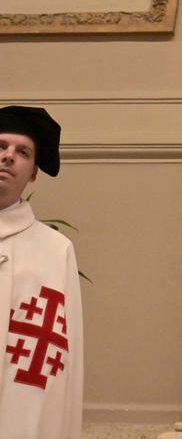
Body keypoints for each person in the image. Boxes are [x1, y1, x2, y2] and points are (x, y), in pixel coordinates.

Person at [0, 106, 83, 438]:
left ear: (34, 172)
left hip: (22, 411)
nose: (8, 157)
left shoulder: (54, 250)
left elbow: (65, 358)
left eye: (22, 152)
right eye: (1, 146)